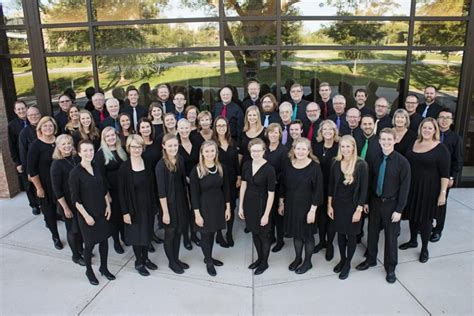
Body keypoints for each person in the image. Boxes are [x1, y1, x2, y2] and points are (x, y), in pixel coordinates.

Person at [355, 128, 411, 284]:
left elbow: (405, 188)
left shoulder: (403, 162)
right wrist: (366, 201)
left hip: (392, 204)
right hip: (375, 202)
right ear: (379, 141)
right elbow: (369, 181)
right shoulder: (375, 158)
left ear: (394, 140)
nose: (386, 142)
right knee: (372, 232)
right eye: (383, 139)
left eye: (389, 139)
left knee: (391, 237)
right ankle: (371, 259)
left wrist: (399, 210)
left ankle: (390, 268)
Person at [399, 118, 450, 263]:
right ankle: (413, 240)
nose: (427, 130)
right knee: (413, 215)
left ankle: (424, 248)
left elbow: (445, 174)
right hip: (412, 187)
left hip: (429, 190)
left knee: (425, 219)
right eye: (424, 128)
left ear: (435, 130)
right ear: (420, 129)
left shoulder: (441, 149)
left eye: (430, 128)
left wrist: (443, 193)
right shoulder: (414, 143)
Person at [69, 140, 115, 285]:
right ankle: (89, 271)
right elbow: (75, 199)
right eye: (85, 150)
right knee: (89, 245)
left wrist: (108, 206)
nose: (89, 153)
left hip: (102, 211)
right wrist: (86, 216)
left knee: (104, 242)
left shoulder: (96, 166)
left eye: (91, 150)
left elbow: (104, 189)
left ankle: (104, 268)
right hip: (87, 215)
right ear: (79, 152)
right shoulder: (75, 173)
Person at [279, 138, 323, 274]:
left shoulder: (315, 167)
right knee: (296, 235)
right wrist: (281, 203)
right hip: (292, 205)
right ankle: (298, 258)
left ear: (309, 151)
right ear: (294, 149)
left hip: (307, 207)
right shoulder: (288, 164)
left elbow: (318, 190)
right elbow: (282, 185)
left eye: (304, 149)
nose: (301, 151)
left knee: (307, 236)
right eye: (298, 148)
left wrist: (313, 210)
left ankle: (307, 262)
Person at [327, 135, 368, 280]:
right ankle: (342, 259)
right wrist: (329, 205)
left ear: (353, 147)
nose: (345, 149)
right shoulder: (336, 162)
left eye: (348, 146)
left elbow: (364, 190)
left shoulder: (361, 165)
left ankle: (347, 264)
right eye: (342, 146)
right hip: (338, 205)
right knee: (340, 234)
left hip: (353, 207)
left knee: (351, 236)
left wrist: (359, 209)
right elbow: (331, 186)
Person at [118, 135, 158, 276]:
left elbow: (153, 185)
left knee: (147, 233)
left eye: (139, 146)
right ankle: (139, 262)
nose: (136, 149)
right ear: (128, 148)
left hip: (147, 205)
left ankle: (146, 259)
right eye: (133, 147)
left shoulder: (147, 162)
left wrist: (155, 205)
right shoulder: (124, 167)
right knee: (137, 236)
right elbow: (121, 193)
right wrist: (125, 212)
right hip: (133, 208)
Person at [190, 140, 231, 276]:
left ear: (216, 152)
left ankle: (209, 256)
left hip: (218, 206)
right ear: (202, 153)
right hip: (204, 207)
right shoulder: (197, 170)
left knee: (212, 233)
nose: (209, 153)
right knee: (205, 235)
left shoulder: (221, 167)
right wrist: (197, 215)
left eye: (212, 151)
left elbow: (226, 189)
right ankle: (208, 261)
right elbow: (194, 195)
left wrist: (228, 207)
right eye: (206, 151)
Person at [239, 138, 276, 275]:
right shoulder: (247, 165)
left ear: (263, 151)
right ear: (250, 151)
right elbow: (243, 185)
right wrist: (241, 207)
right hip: (249, 204)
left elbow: (271, 194)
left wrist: (266, 214)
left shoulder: (269, 169)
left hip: (262, 205)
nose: (256, 153)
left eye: (258, 151)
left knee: (264, 236)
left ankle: (264, 262)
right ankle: (259, 259)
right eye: (253, 151)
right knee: (254, 233)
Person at [156, 134, 191, 274]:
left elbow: (184, 180)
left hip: (181, 201)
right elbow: (161, 191)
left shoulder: (180, 159)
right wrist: (165, 212)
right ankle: (171, 262)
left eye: (175, 145)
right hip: (168, 204)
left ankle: (176, 259)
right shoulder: (161, 166)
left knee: (178, 232)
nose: (173, 148)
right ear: (164, 146)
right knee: (170, 234)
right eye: (170, 145)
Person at [27, 116, 63, 250]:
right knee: (49, 212)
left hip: (61, 182)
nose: (48, 128)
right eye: (45, 126)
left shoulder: (59, 141)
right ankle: (55, 236)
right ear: (40, 128)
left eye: (51, 126)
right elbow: (32, 170)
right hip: (46, 184)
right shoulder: (36, 145)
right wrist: (39, 188)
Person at [50, 134, 85, 265]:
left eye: (69, 143)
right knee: (72, 230)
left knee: (81, 227)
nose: (67, 146)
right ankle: (75, 256)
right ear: (58, 147)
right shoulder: (56, 165)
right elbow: (57, 189)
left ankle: (81, 249)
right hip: (67, 202)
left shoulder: (76, 158)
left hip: (79, 199)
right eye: (63, 144)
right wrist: (65, 208)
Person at [430, 109, 463, 242]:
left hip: (445, 177)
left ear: (452, 121)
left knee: (441, 203)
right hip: (430, 175)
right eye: (441, 117)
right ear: (437, 119)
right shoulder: (432, 135)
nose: (444, 120)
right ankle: (427, 225)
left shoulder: (455, 138)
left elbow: (458, 159)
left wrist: (452, 177)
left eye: (447, 118)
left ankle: (438, 230)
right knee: (429, 202)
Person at [95, 127, 128, 254]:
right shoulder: (100, 154)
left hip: (124, 189)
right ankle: (116, 241)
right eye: (107, 136)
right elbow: (100, 177)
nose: (111, 138)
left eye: (112, 135)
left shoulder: (122, 150)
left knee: (124, 213)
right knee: (114, 218)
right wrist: (106, 193)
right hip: (112, 191)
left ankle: (125, 237)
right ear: (104, 139)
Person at [312, 120, 339, 261]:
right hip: (319, 187)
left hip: (334, 188)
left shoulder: (339, 146)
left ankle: (330, 245)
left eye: (330, 129)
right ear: (321, 132)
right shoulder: (316, 146)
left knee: (331, 219)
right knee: (321, 219)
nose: (327, 132)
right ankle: (321, 241)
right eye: (324, 129)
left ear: (334, 131)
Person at [213, 116, 241, 247]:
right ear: (215, 127)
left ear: (227, 127)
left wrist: (239, 176)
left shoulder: (232, 142)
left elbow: (236, 162)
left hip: (231, 179)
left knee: (232, 207)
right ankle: (219, 235)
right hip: (217, 180)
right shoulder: (212, 143)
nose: (221, 128)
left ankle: (229, 233)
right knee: (219, 208)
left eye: (223, 125)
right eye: (218, 126)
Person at [8, 101, 40, 215]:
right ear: (15, 111)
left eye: (23, 108)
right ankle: (34, 205)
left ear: (27, 109)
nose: (21, 111)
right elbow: (12, 145)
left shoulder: (35, 122)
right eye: (19, 109)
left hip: (36, 157)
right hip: (23, 158)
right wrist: (17, 163)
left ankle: (41, 201)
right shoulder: (12, 125)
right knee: (28, 184)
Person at [264, 123, 289, 252]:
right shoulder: (265, 149)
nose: (273, 135)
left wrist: (273, 180)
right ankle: (271, 236)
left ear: (280, 134)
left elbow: (284, 172)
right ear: (267, 134)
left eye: (276, 132)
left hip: (279, 187)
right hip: (266, 188)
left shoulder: (283, 150)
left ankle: (280, 240)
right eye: (271, 132)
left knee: (278, 216)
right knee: (269, 214)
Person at [177, 119, 201, 249]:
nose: (184, 131)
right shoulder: (175, 145)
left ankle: (194, 234)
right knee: (185, 211)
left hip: (196, 181)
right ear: (178, 129)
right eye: (182, 128)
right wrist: (185, 178)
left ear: (190, 128)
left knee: (195, 210)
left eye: (186, 128)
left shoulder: (196, 142)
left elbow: (201, 160)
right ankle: (186, 237)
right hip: (181, 183)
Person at [19, 106, 42, 215]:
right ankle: (46, 215)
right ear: (27, 117)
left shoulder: (47, 127)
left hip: (47, 165)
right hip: (34, 167)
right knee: (39, 191)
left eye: (36, 114)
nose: (34, 117)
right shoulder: (24, 133)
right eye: (31, 115)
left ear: (40, 114)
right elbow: (23, 154)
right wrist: (28, 171)